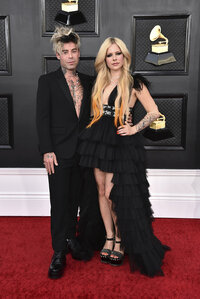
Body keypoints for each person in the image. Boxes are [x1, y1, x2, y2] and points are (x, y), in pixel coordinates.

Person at [78, 37, 170, 277]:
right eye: (109, 54)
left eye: (118, 53)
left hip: (120, 141)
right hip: (98, 139)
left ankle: (120, 240)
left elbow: (154, 112)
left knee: (112, 194)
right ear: (104, 59)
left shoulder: (134, 82)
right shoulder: (100, 81)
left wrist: (134, 128)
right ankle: (108, 237)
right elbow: (95, 112)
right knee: (100, 190)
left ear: (125, 56)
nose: (114, 58)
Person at [36, 27, 104, 279]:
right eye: (65, 52)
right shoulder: (47, 82)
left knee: (79, 201)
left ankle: (70, 238)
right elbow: (42, 119)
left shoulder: (89, 81)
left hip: (84, 153)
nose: (71, 56)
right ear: (58, 55)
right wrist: (47, 150)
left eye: (74, 51)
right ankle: (57, 252)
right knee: (60, 203)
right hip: (59, 153)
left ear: (78, 53)